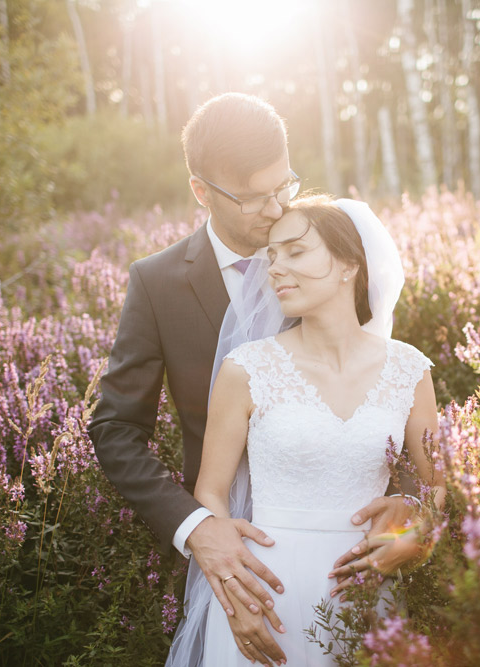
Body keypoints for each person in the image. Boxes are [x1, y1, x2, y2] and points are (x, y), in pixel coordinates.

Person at [89, 93, 419, 664]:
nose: (275, 209)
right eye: (255, 197)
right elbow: (116, 428)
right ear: (202, 191)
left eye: (283, 185)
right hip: (231, 561)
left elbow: (383, 408)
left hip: (347, 567)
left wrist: (409, 521)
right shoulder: (157, 282)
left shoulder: (325, 254)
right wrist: (197, 529)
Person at [170, 195, 444, 665]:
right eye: (272, 256)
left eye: (296, 252)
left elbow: (444, 485)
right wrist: (235, 592)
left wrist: (411, 536)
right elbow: (211, 492)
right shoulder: (247, 369)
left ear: (349, 266)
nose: (275, 268)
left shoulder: (409, 369)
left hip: (366, 591)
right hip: (267, 591)